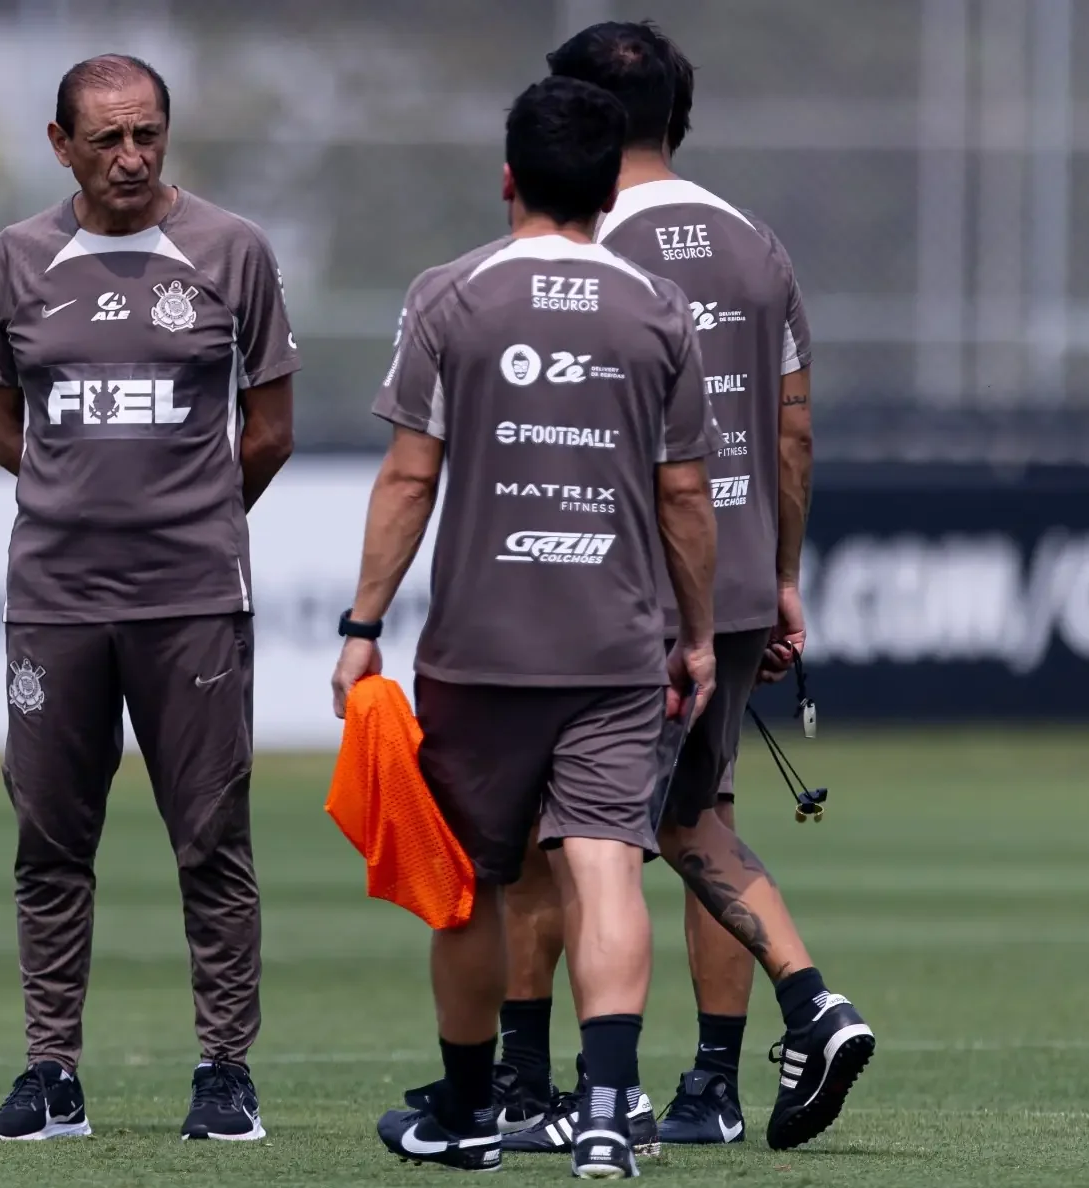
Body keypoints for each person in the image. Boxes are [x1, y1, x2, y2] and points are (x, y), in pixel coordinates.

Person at [330, 74, 719, 1178]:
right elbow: (684, 498)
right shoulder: (657, 309)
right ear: (607, 188)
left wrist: (362, 624)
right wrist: (693, 640)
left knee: (465, 889)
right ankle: (603, 1110)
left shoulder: (450, 297)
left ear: (507, 176)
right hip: (612, 647)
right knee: (604, 867)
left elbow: (410, 477)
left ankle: (463, 1115)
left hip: (477, 653)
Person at [496, 21, 875, 1156]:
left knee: (557, 838)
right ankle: (723, 1076)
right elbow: (792, 432)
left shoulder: (581, 243)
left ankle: (546, 1092)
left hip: (620, 585)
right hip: (745, 568)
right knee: (694, 818)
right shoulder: (756, 245)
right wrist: (783, 575)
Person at [0, 53, 298, 1143]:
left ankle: (224, 1073)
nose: (130, 157)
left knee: (212, 840)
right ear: (59, 144)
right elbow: (2, 429)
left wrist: (187, 516)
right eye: (105, 138)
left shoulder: (231, 251)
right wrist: (84, 505)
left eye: (146, 133)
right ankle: (51, 1077)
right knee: (50, 842)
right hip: (54, 598)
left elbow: (272, 428)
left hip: (193, 595)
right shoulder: (15, 261)